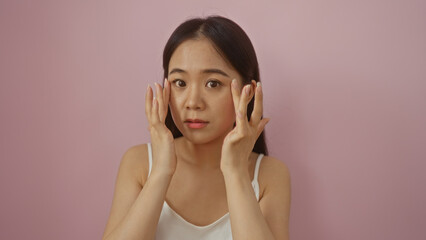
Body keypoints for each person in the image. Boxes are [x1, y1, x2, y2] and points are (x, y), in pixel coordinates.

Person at [102, 15, 291, 240]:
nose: (193, 102)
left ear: (247, 92)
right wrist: (161, 171)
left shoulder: (269, 176)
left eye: (213, 83)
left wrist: (235, 173)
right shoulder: (140, 164)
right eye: (180, 83)